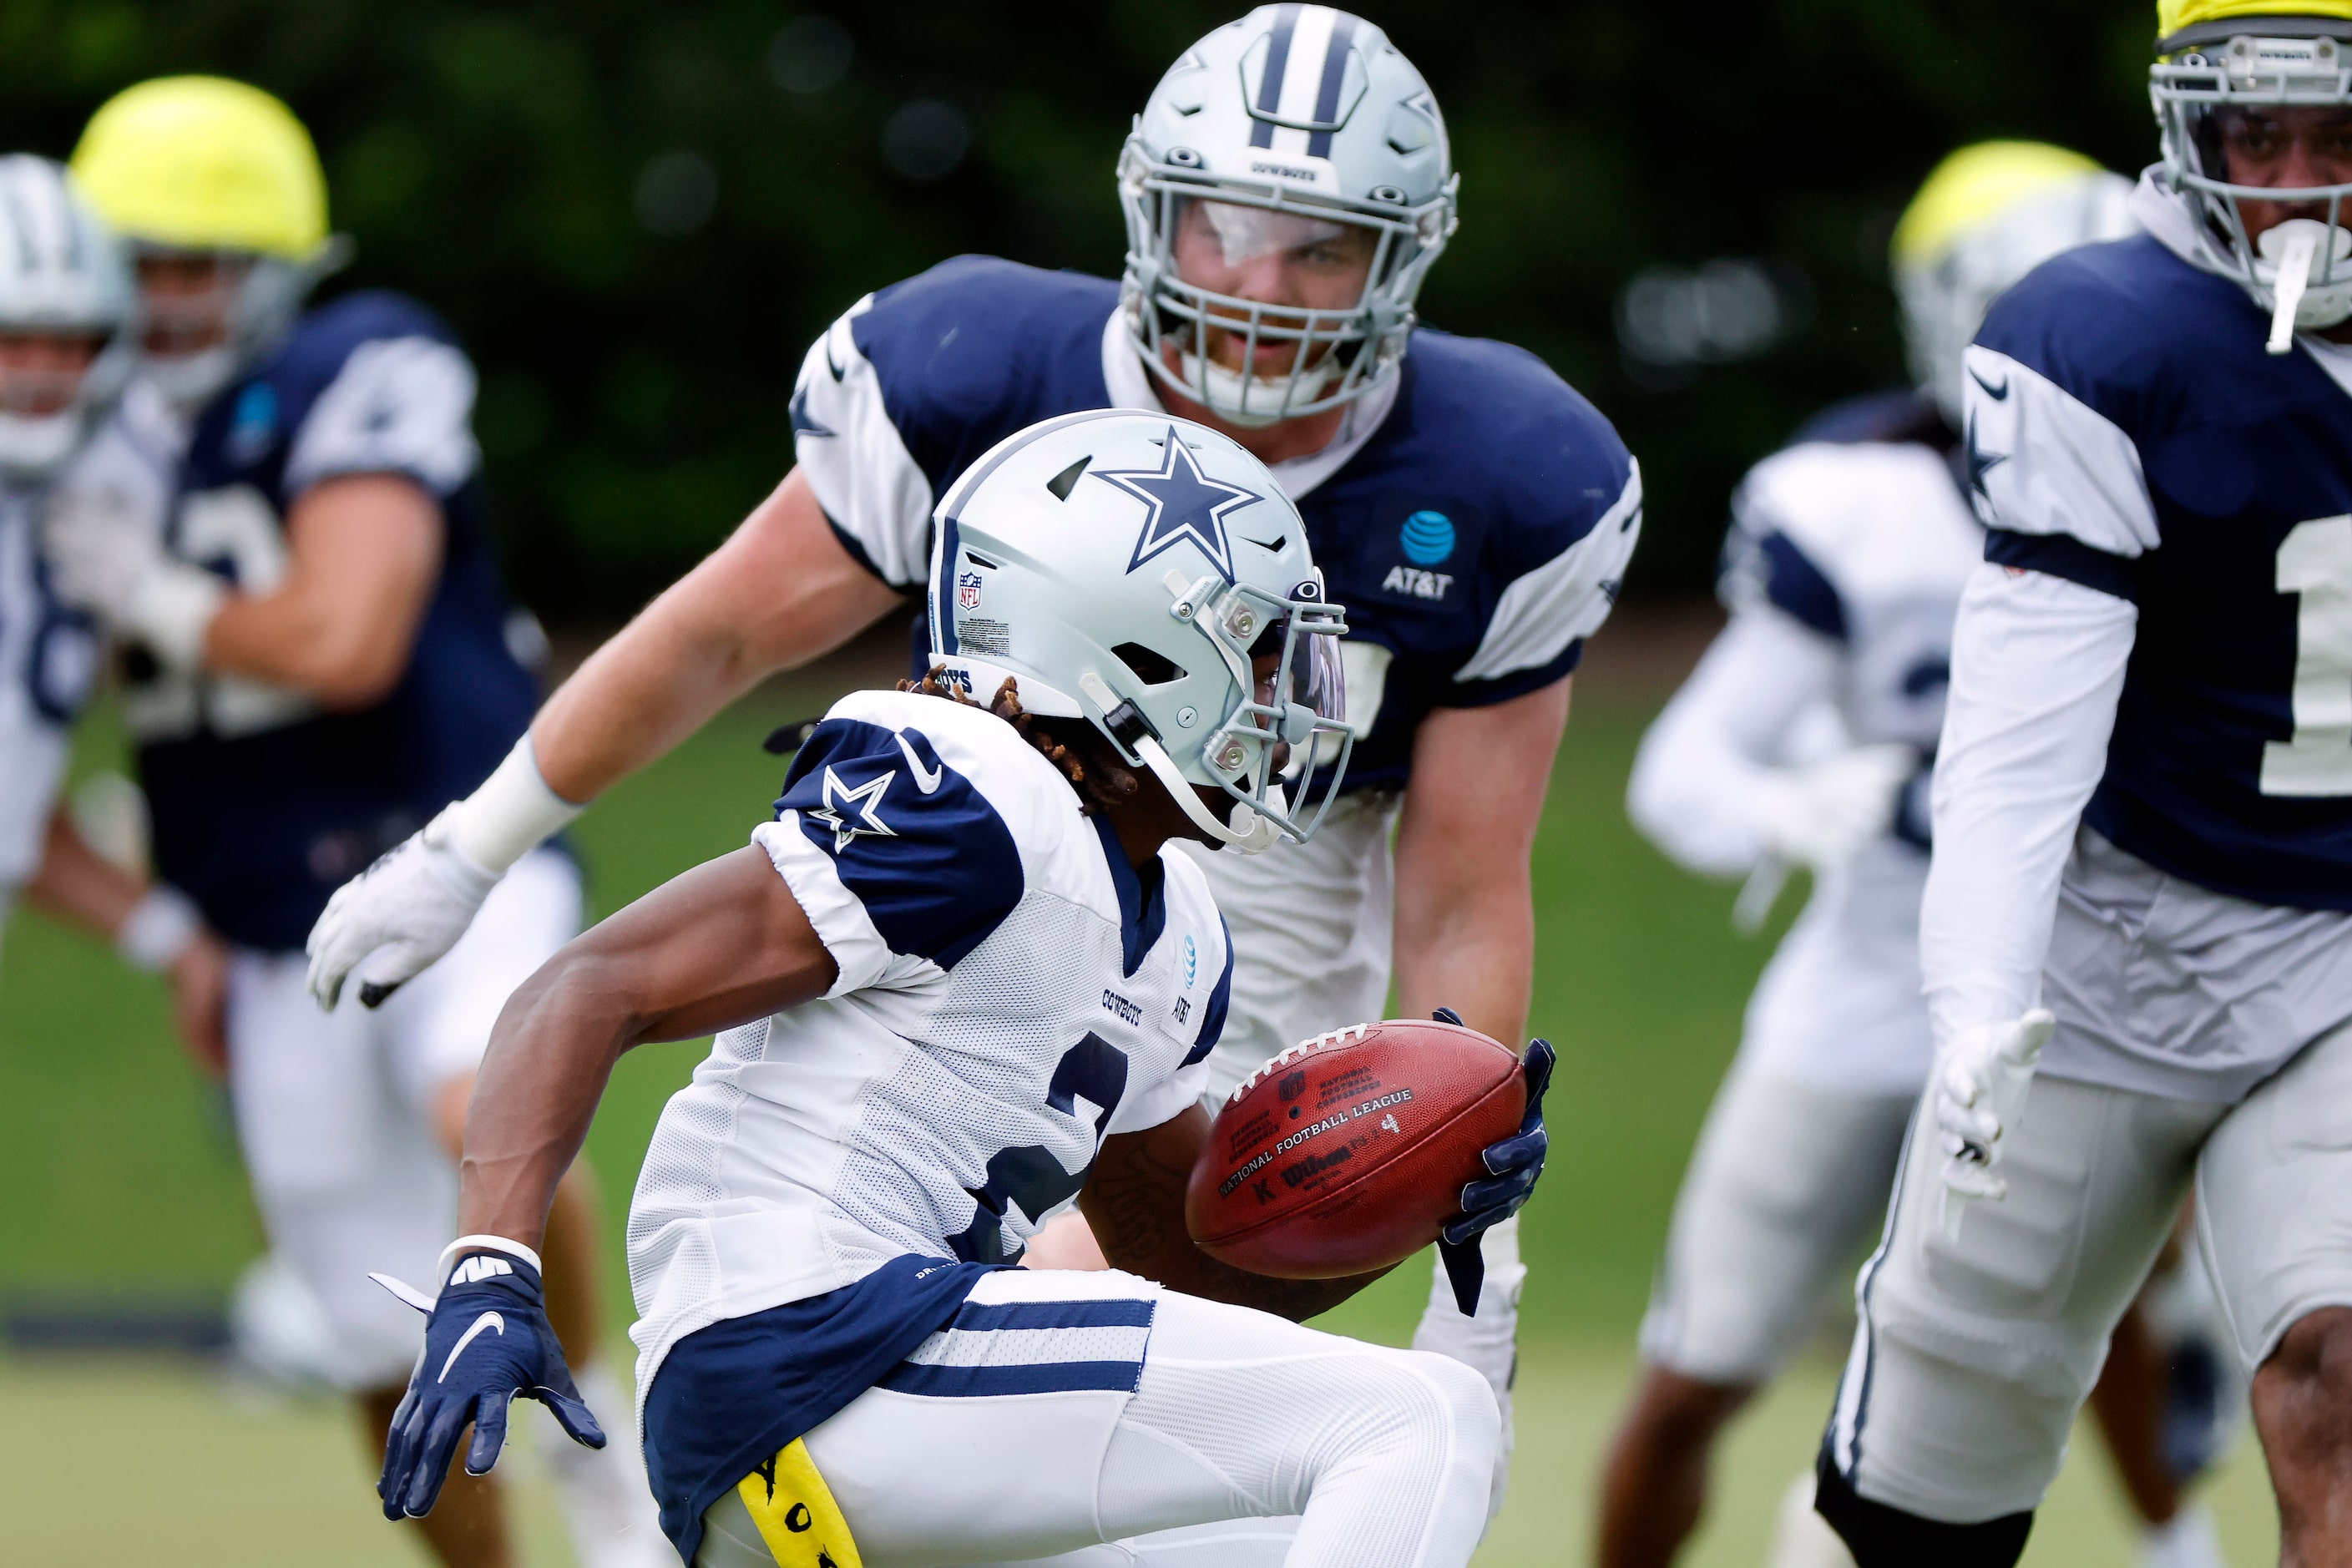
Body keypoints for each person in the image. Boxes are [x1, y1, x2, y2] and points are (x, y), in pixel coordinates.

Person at [305, 6, 1641, 1496]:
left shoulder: (1512, 473)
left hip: (1262, 883)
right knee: (1024, 1319)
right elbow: (719, 634)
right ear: (1152, 214)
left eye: (1317, 247)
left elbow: (1462, 881)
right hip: (1002, 820)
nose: (1261, 288)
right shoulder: (976, 364)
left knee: (1172, 1300)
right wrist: (469, 846)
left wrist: (1467, 1186)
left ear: (1401, 258)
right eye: (1224, 232)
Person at [366, 409, 1551, 1568]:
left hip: (884, 1410)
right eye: (1254, 648)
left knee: (1271, 1531)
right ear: (1134, 650)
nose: (1288, 700)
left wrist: (1433, 1200)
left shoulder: (1175, 928)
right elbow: (585, 986)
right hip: (811, 1341)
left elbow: (1182, 1256)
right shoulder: (976, 794)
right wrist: (489, 1267)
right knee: (1419, 1420)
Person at [42, 78, 665, 1568]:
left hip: (441, 844)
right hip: (261, 923)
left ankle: (595, 1437)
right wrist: (160, 921)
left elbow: (345, 637)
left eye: (191, 262)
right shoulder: (67, 429)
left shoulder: (360, 360)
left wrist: (155, 594)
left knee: (485, 1098)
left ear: (273, 267)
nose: (157, 301)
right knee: (371, 1330)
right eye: (130, 264)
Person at [1598, 145, 2238, 1568]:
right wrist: (1806, 801)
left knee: (2114, 1313)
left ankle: (2175, 1533)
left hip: (2070, 992)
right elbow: (1679, 770)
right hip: (1863, 998)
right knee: (1696, 1369)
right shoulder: (1856, 508)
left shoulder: (2203, 478)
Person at [1813, 3, 2352, 1563]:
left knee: (2333, 1377)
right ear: (2192, 137)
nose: (2305, 186)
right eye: (2262, 140)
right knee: (1928, 1482)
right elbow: (2020, 721)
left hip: (2336, 956)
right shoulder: (2113, 338)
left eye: (2342, 140)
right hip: (2106, 957)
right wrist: (1975, 993)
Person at [0, 152, 228, 1060]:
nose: (43, 372)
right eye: (13, 339)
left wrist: (170, 941)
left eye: (72, 341)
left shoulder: (119, 469)